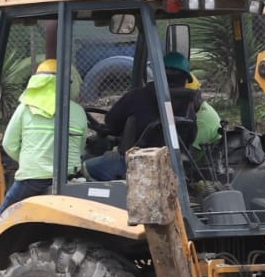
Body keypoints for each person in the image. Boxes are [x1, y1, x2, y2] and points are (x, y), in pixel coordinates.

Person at [0, 59, 87, 277]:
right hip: (71, 180)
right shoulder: (78, 111)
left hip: (32, 181)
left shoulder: (25, 109)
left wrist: (31, 161)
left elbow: (10, 144)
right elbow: (81, 148)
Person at [84, 52, 203, 181]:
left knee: (86, 167)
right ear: (185, 79)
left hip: (131, 165)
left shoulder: (136, 96)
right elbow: (189, 139)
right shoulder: (189, 106)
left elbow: (112, 124)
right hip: (169, 168)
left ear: (157, 74)